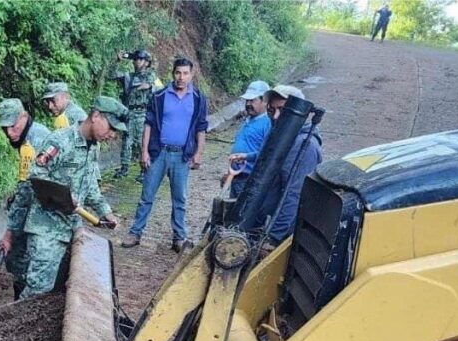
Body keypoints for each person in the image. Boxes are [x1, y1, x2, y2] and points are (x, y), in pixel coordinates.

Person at [0, 97, 124, 299]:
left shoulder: (92, 148)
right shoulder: (60, 141)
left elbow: (90, 184)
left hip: (71, 227)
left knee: (56, 290)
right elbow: (36, 175)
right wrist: (64, 196)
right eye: (111, 128)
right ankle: (14, 325)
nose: (111, 135)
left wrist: (105, 211)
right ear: (95, 116)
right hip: (46, 229)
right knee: (38, 290)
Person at [121, 57, 209, 253]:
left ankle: (179, 238)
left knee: (180, 199)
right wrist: (144, 152)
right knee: (147, 195)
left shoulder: (198, 98)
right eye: (178, 73)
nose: (181, 77)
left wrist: (199, 153)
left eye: (185, 73)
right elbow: (148, 123)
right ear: (173, 74)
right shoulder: (159, 96)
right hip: (158, 153)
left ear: (191, 74)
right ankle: (135, 233)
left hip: (182, 156)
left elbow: (201, 127)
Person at [230, 84, 323, 250]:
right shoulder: (277, 133)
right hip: (260, 223)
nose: (276, 116)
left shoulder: (304, 147)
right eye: (271, 110)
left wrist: (273, 238)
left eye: (282, 110)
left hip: (277, 234)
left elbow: (293, 195)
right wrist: (248, 156)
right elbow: (269, 158)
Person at [0, 98, 51, 299]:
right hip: (49, 205)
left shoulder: (30, 145)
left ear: (24, 117)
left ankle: (21, 306)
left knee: (18, 258)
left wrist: (9, 235)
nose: (10, 133)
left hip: (43, 213)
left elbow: (26, 194)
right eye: (5, 128)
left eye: (13, 126)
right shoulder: (39, 133)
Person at [110, 50, 161, 179]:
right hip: (130, 112)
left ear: (146, 62)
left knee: (141, 142)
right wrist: (117, 61)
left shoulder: (152, 77)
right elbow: (112, 75)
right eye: (136, 59)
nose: (136, 62)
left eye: (140, 59)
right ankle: (124, 168)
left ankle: (144, 169)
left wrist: (149, 86)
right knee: (127, 141)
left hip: (143, 113)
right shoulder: (129, 76)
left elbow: (161, 90)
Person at [225, 80, 272, 199]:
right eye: (247, 100)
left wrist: (245, 157)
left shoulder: (268, 124)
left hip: (249, 180)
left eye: (252, 100)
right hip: (236, 177)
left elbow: (266, 153)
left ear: (264, 101)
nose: (248, 104)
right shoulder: (247, 120)